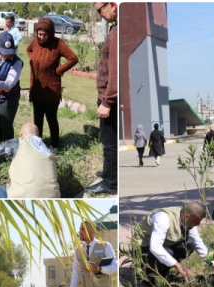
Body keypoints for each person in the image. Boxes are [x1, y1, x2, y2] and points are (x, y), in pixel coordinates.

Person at [134, 201, 214, 286]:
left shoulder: (187, 220)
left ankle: (164, 273)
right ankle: (148, 274)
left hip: (164, 246)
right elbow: (155, 247)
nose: (198, 224)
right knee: (169, 253)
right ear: (187, 216)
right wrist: (177, 265)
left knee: (190, 244)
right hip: (144, 249)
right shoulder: (163, 218)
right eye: (197, 221)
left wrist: (213, 265)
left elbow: (198, 242)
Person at [26, 17, 78, 150]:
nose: (41, 37)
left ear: (50, 33)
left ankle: (55, 145)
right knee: (37, 119)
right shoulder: (34, 42)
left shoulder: (58, 44)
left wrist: (59, 70)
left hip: (51, 90)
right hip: (37, 89)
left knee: (51, 118)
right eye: (39, 34)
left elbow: (73, 58)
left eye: (44, 35)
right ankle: (38, 144)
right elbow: (28, 50)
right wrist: (35, 58)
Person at [0, 123, 61, 198]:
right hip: (52, 200)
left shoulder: (18, 142)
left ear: (21, 135)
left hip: (22, 201)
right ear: (38, 136)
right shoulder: (46, 149)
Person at [85, 2, 117, 195]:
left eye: (100, 10)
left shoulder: (118, 33)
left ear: (112, 5)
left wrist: (107, 102)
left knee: (109, 142)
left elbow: (115, 73)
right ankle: (109, 172)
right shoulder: (115, 29)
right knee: (107, 140)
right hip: (107, 97)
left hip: (109, 99)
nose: (99, 14)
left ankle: (110, 183)